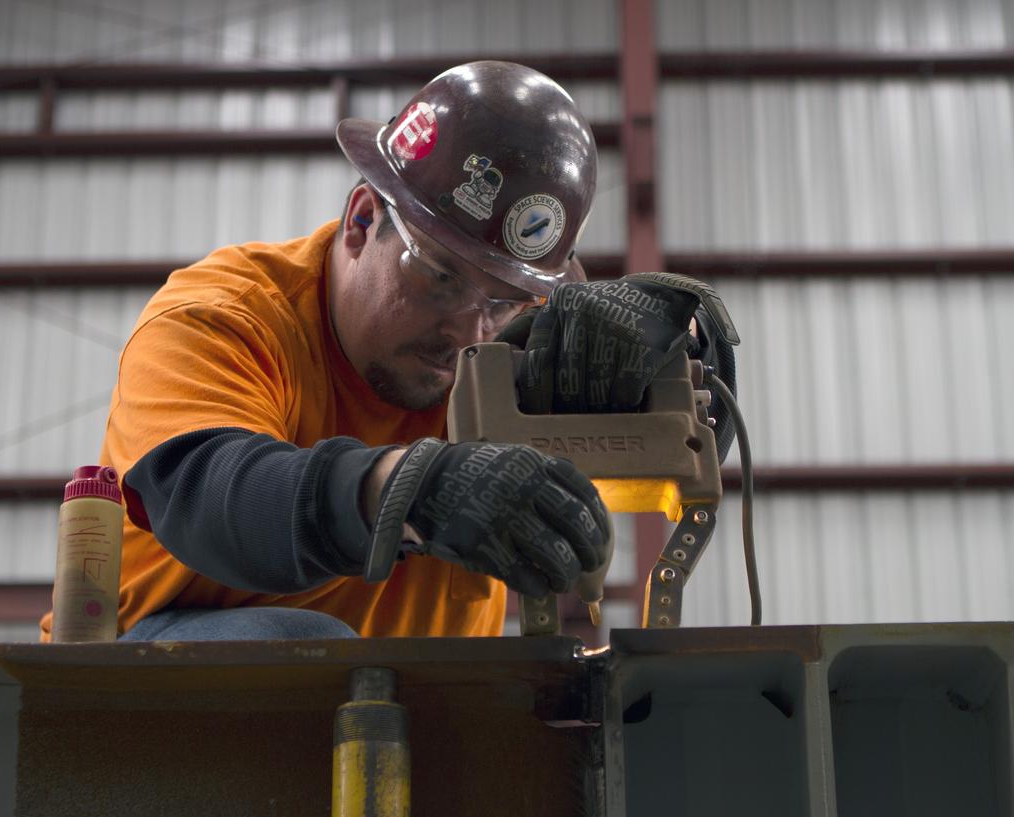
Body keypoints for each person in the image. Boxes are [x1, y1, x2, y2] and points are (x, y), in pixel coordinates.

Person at [38, 60, 734, 643]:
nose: (467, 332)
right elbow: (210, 496)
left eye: (501, 301)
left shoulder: (501, 353)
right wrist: (413, 491)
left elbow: (676, 447)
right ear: (362, 219)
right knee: (307, 653)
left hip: (405, 724)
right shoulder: (225, 317)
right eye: (438, 275)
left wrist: (658, 348)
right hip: (156, 690)